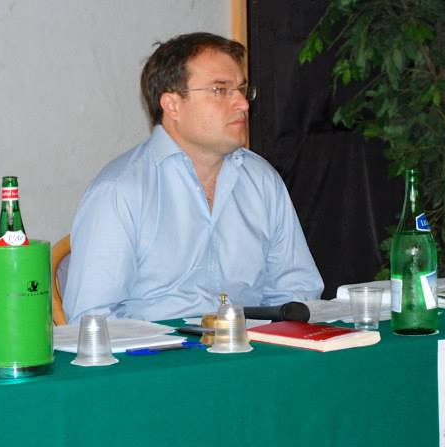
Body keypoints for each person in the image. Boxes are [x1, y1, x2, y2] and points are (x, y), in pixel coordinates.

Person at [63, 32, 323, 322]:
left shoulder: (261, 179)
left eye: (242, 90)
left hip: (251, 344)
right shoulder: (120, 190)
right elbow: (92, 320)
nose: (243, 104)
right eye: (220, 90)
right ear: (172, 105)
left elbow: (296, 290)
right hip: (159, 349)